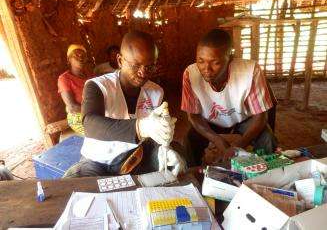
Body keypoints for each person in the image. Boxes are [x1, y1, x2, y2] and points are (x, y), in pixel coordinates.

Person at [64, 31, 186, 178]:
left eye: (149, 66)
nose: (143, 73)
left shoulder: (155, 91)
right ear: (120, 60)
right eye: (136, 65)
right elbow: (90, 124)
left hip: (133, 157)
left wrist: (163, 148)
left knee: (175, 167)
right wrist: (140, 127)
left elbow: (154, 135)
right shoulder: (98, 86)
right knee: (78, 190)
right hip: (97, 161)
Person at [181, 29, 277, 166]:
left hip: (243, 120)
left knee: (266, 138)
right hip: (211, 122)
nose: (206, 69)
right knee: (190, 139)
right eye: (200, 61)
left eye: (215, 62)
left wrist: (237, 146)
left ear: (229, 58)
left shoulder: (250, 71)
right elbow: (193, 117)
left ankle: (265, 173)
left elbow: (261, 117)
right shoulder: (190, 74)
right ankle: (195, 176)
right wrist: (219, 142)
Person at [58, 44, 93, 135]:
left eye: (83, 56)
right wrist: (96, 110)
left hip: (94, 112)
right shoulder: (64, 79)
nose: (80, 58)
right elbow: (72, 107)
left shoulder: (90, 75)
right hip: (78, 116)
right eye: (76, 55)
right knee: (101, 131)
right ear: (69, 59)